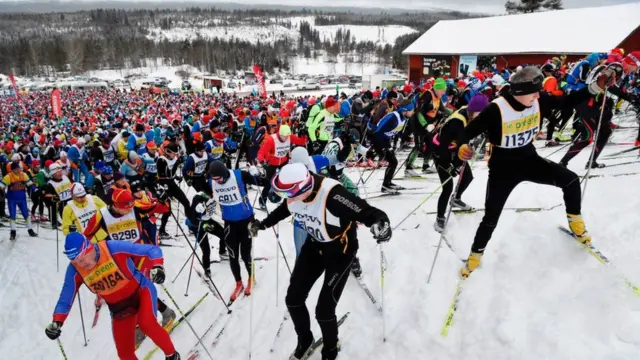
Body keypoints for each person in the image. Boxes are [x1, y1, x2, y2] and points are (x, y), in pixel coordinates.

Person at [456, 66, 616, 278]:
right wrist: (462, 147)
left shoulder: (538, 100)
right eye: (533, 92)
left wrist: (596, 87)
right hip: (502, 171)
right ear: (520, 93)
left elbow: (568, 101)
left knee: (571, 180)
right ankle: (475, 256)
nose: (537, 95)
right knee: (491, 217)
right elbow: (466, 132)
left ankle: (577, 224)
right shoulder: (497, 109)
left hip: (530, 161)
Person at [249, 163, 391, 360]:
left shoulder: (332, 195)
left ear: (301, 188)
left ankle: (331, 350)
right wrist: (262, 224)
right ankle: (305, 341)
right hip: (315, 246)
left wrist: (381, 223)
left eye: (287, 193)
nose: (285, 197)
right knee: (293, 299)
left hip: (340, 251)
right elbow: (285, 209)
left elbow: (367, 211)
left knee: (324, 311)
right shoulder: (294, 196)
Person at [45, 233, 180, 360]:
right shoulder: (75, 270)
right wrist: (57, 322)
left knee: (147, 324)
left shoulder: (111, 248)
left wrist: (158, 267)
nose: (82, 263)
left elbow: (152, 250)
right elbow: (66, 297)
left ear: (89, 246)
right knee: (124, 352)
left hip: (141, 292)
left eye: (83, 256)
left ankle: (172, 355)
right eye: (75, 261)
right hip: (119, 308)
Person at [208, 160, 265, 302]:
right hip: (229, 223)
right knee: (233, 255)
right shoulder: (213, 182)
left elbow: (262, 182)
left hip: (246, 221)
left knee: (246, 254)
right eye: (214, 179)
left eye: (219, 178)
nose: (217, 181)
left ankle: (252, 278)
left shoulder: (239, 175)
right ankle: (238, 282)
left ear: (225, 174)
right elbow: (200, 188)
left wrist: (257, 174)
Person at [431, 94, 489, 232]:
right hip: (440, 151)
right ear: (474, 110)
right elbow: (444, 145)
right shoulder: (457, 122)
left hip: (456, 150)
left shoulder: (470, 113)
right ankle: (440, 217)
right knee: (447, 186)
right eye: (481, 114)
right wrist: (449, 165)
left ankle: (455, 199)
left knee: (467, 177)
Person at [257, 124, 306, 209]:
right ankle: (262, 200)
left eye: (288, 136)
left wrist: (304, 135)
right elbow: (261, 152)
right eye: (284, 137)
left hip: (283, 161)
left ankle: (285, 201)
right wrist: (262, 162)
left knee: (285, 181)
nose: (287, 138)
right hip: (271, 163)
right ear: (280, 134)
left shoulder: (289, 136)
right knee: (269, 183)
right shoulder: (271, 140)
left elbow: (301, 142)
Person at [372, 98, 415, 193]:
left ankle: (388, 183)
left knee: (393, 162)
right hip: (379, 140)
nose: (413, 112)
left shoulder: (403, 118)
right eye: (411, 110)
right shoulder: (393, 117)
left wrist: (406, 138)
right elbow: (378, 131)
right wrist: (378, 147)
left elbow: (397, 131)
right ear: (405, 110)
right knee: (393, 162)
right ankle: (385, 185)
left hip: (385, 140)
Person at [187, 192, 226, 279]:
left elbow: (217, 211)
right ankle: (207, 269)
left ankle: (222, 252)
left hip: (207, 220)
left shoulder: (219, 197)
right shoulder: (199, 198)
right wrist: (197, 209)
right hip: (197, 224)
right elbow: (192, 217)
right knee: (206, 249)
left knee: (223, 234)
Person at [0, 161, 38, 240]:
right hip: (12, 200)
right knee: (12, 215)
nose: (19, 170)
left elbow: (30, 183)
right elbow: (1, 186)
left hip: (22, 199)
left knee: (26, 214)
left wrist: (35, 189)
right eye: (17, 169)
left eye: (19, 168)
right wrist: (3, 195)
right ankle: (13, 231)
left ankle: (30, 229)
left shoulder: (23, 175)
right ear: (12, 170)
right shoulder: (8, 176)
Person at [43, 163, 73, 229]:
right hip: (60, 202)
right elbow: (47, 195)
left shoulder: (65, 177)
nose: (60, 173)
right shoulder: (50, 183)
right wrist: (53, 197)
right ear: (53, 174)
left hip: (69, 199)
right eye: (57, 172)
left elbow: (72, 185)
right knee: (54, 208)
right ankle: (54, 222)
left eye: (60, 171)